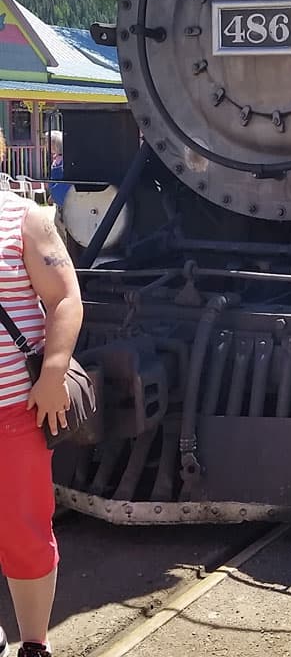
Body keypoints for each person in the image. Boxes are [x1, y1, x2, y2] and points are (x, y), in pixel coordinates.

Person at [0, 127, 84, 657]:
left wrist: (53, 372)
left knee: (25, 531)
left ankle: (34, 644)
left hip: (11, 411)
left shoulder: (23, 220)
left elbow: (65, 297)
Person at [46, 133, 69, 212]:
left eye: (48, 142)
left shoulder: (62, 161)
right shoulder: (57, 159)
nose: (46, 145)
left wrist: (54, 195)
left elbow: (63, 181)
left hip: (63, 196)